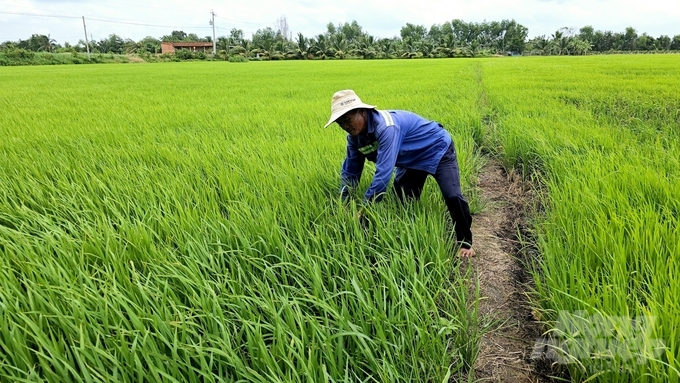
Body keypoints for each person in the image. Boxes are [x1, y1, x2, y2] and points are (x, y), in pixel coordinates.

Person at [324, 89, 475, 258]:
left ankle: (465, 242)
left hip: (437, 150)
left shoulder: (387, 127)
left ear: (361, 111)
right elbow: (350, 172)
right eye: (340, 123)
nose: (345, 126)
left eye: (347, 120)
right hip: (410, 160)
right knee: (403, 200)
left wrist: (365, 209)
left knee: (452, 195)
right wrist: (343, 202)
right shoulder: (354, 139)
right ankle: (412, 235)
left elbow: (383, 175)